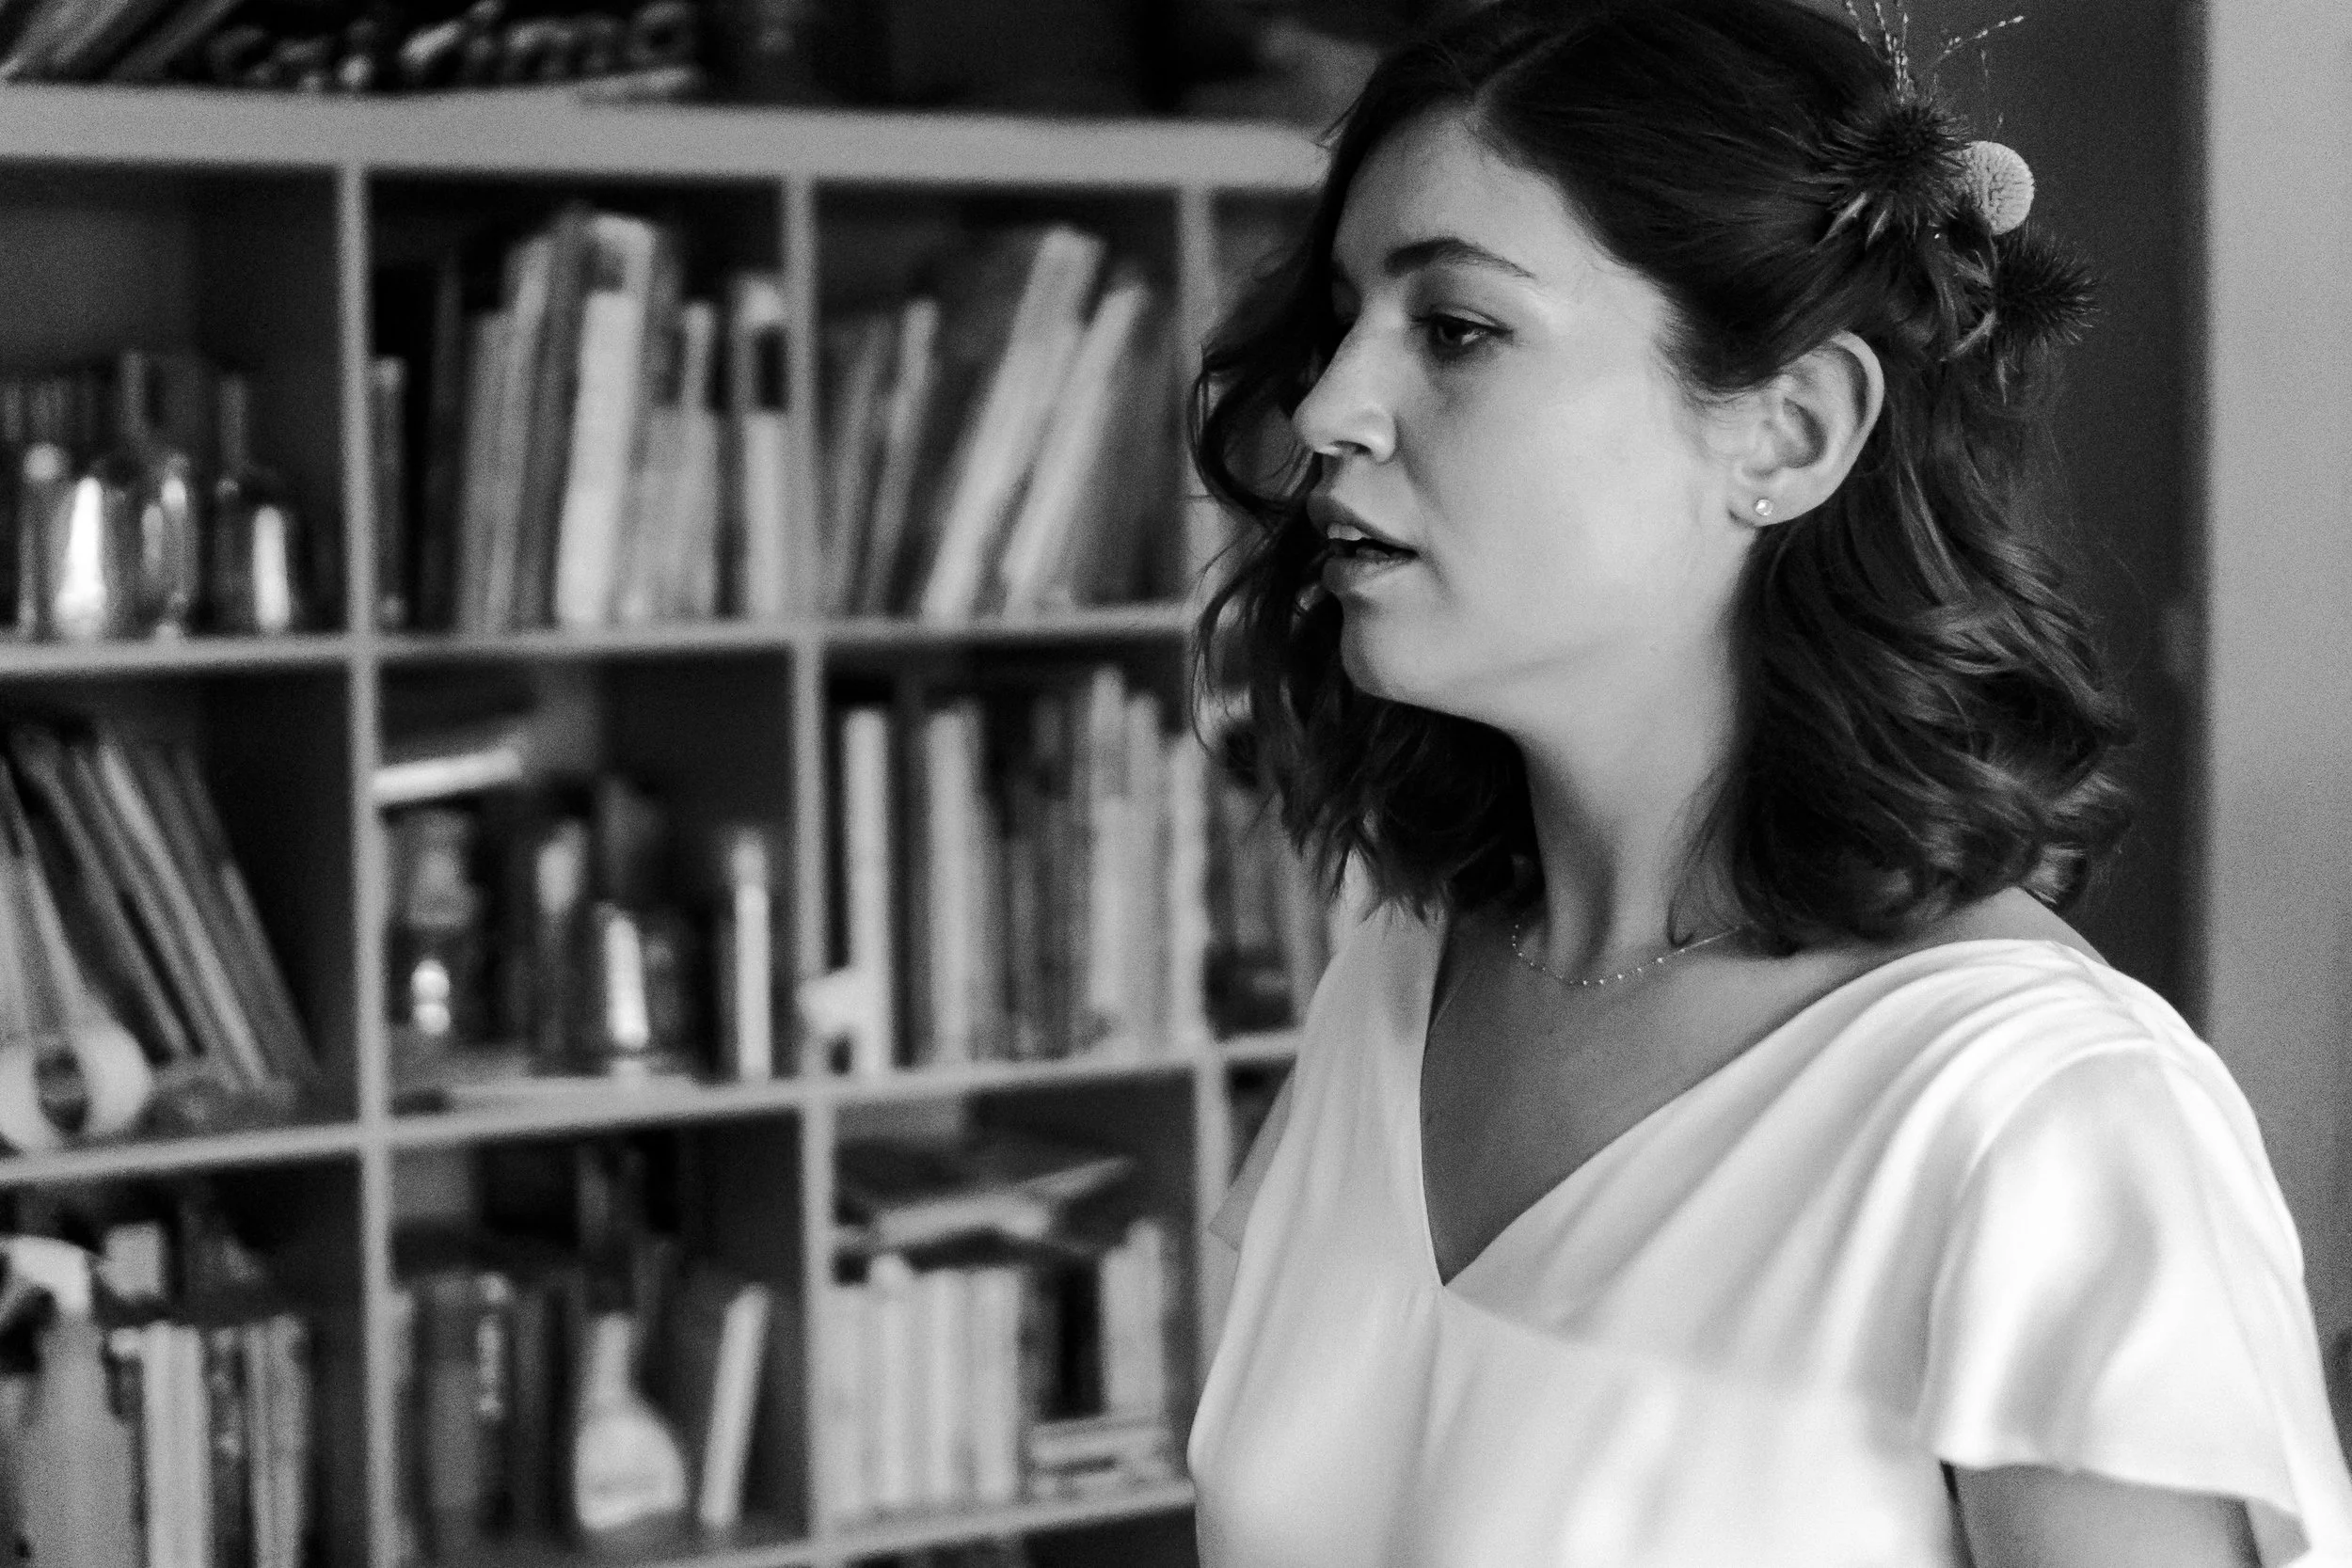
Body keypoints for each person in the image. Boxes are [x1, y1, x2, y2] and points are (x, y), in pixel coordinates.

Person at [1182, 1, 2352, 1564]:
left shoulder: (2040, 1125)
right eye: (1342, 319)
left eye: (1456, 329)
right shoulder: (1391, 990)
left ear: (1791, 433)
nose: (1327, 407)